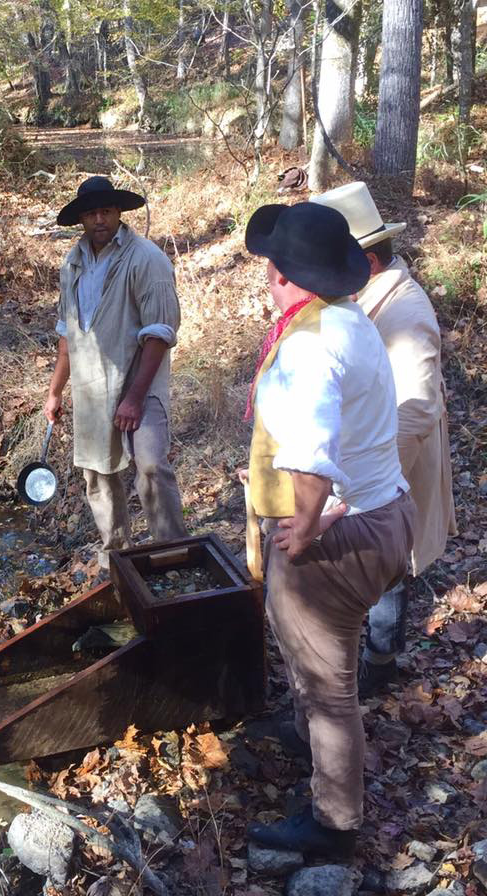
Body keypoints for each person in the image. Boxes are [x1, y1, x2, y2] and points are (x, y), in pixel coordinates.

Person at [241, 202, 415, 857]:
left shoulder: (309, 346)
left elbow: (312, 456)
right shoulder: (350, 320)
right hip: (388, 512)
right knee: (326, 678)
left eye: (272, 265)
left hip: (341, 537)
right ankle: (312, 744)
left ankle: (335, 822)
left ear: (282, 274)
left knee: (327, 685)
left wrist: (307, 528)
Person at [311, 182, 457, 695]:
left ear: (366, 262)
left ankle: (380, 665)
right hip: (368, 464)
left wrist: (366, 489)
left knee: (389, 570)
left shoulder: (407, 314)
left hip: (391, 469)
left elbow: (415, 411)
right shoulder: (372, 298)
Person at [43, 176, 187, 573]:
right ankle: (117, 554)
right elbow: (67, 333)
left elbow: (160, 332)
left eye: (106, 210)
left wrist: (135, 398)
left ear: (119, 212)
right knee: (97, 473)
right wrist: (55, 391)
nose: (99, 219)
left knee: (152, 466)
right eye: (91, 213)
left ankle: (172, 555)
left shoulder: (146, 259)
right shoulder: (72, 264)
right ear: (81, 220)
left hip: (141, 380)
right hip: (91, 385)